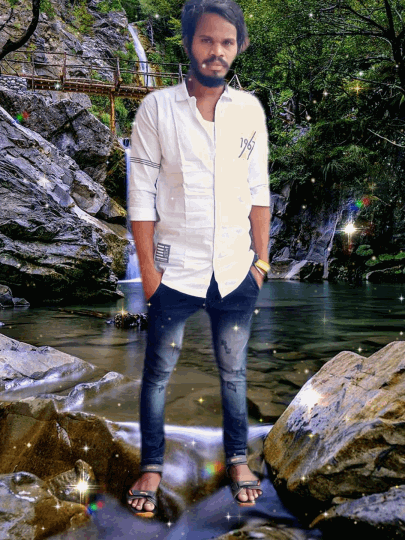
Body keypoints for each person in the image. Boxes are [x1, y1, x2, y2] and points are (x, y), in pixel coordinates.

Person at [126, 0, 271, 518]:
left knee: (234, 373)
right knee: (158, 374)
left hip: (236, 270)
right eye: (207, 40)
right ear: (189, 43)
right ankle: (152, 465)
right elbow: (141, 195)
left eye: (227, 42)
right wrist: (148, 273)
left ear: (239, 47)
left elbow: (258, 190)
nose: (216, 51)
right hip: (174, 271)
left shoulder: (250, 111)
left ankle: (237, 460)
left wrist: (262, 264)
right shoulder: (157, 109)